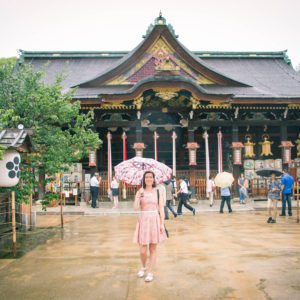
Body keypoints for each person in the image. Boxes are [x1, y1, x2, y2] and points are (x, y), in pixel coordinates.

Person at [133, 171, 167, 282]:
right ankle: (143, 267)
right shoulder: (140, 191)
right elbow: (135, 207)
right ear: (144, 179)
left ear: (153, 179)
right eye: (146, 177)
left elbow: (161, 208)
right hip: (143, 220)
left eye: (150, 177)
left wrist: (162, 224)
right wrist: (138, 196)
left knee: (152, 248)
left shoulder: (158, 191)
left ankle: (150, 272)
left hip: (154, 220)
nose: (148, 179)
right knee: (143, 250)